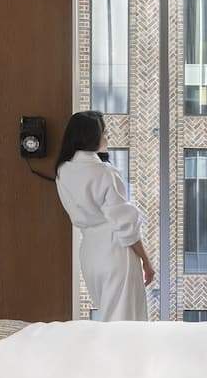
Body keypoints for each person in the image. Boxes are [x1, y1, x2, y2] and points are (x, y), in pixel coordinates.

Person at [55, 111, 154, 321]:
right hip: (115, 252)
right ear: (91, 137)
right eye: (104, 132)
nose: (107, 137)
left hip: (90, 253)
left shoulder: (62, 171)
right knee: (125, 323)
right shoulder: (104, 172)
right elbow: (125, 224)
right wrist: (146, 261)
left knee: (110, 319)